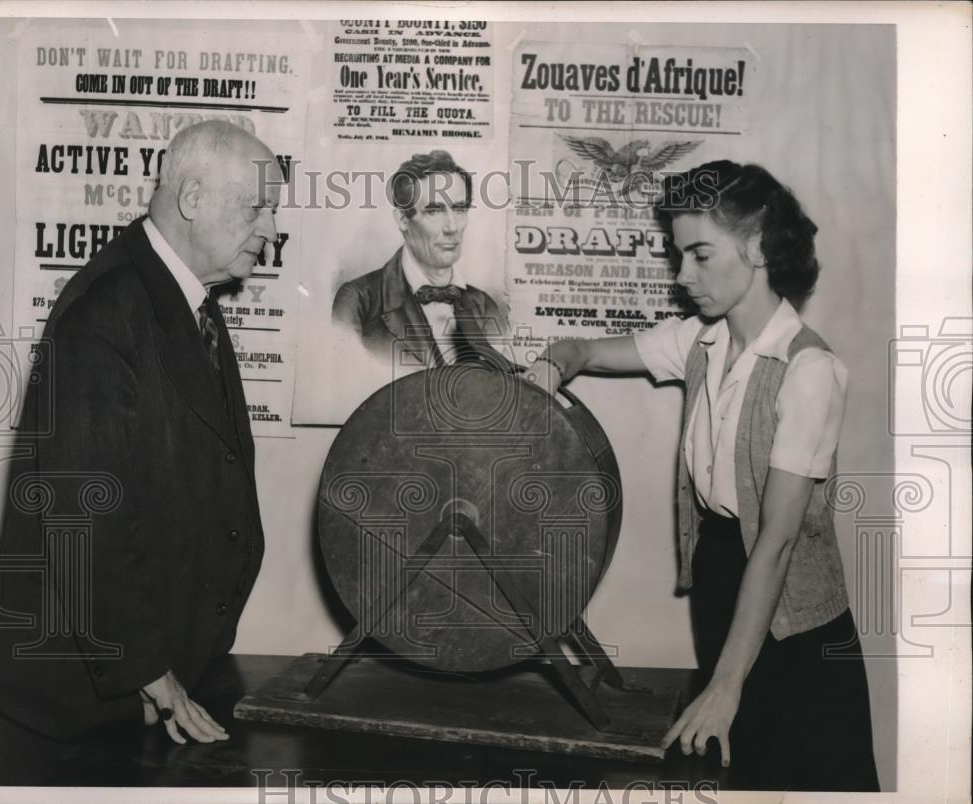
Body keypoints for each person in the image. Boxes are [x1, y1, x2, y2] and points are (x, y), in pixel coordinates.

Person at [526, 160, 879, 791]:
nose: (682, 276)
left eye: (698, 254)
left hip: (795, 620)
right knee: (739, 773)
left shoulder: (809, 369)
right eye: (677, 255)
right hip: (722, 578)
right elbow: (583, 351)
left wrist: (724, 685)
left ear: (757, 246)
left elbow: (776, 542)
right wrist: (551, 366)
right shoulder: (697, 340)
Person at [0, 120, 284, 745]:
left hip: (143, 686)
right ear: (192, 199)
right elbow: (83, 511)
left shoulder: (183, 299)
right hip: (80, 706)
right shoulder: (109, 307)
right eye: (257, 207)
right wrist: (150, 672)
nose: (272, 231)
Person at [332, 150, 510, 368]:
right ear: (402, 219)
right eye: (434, 211)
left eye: (460, 209)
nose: (452, 227)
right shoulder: (358, 302)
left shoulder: (483, 305)